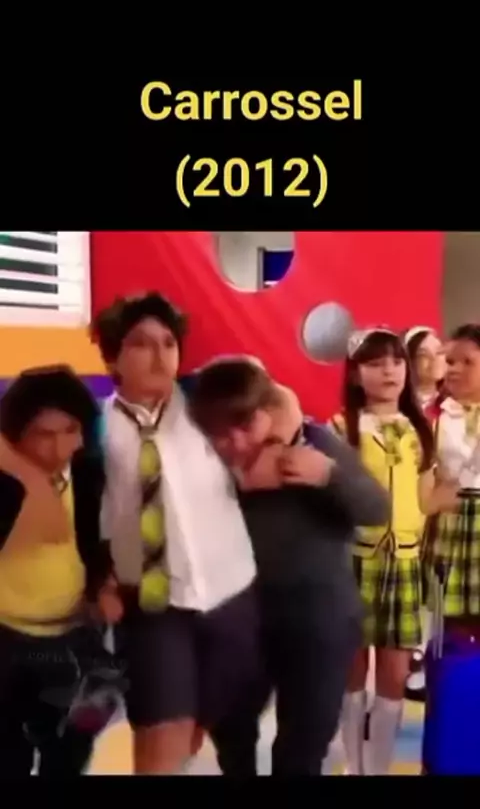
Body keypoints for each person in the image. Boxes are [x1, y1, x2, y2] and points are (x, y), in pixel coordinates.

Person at [189, 357, 391, 776]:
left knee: (302, 748)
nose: (236, 441)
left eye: (246, 425)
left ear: (268, 411)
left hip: (320, 620)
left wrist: (329, 476)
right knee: (233, 736)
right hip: (241, 621)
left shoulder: (313, 444)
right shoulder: (201, 463)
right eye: (222, 433)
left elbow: (376, 509)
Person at [91, 293, 263, 775]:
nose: (160, 354)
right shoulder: (94, 428)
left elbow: (269, 392)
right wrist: (100, 580)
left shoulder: (205, 403)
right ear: (112, 358)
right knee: (160, 745)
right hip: (153, 607)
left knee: (204, 732)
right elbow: (84, 515)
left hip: (231, 595)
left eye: (168, 343)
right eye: (142, 344)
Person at [329, 328, 457, 775]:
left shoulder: (421, 430)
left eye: (396, 361)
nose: (389, 371)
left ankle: (379, 769)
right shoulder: (340, 429)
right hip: (354, 562)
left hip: (405, 563)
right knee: (350, 675)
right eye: (375, 363)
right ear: (354, 374)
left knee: (394, 678)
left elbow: (424, 501)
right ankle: (355, 768)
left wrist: (452, 491)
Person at [0, 365, 116, 776]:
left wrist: (105, 587)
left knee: (69, 752)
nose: (59, 447)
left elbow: (100, 548)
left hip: (74, 639)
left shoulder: (90, 477)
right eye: (43, 434)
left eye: (70, 430)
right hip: (7, 640)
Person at [427, 324, 480, 642]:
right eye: (450, 362)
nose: (455, 370)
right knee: (450, 622)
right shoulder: (434, 416)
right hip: (450, 520)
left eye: (468, 362)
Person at [402, 326, 446, 701]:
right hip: (403, 508)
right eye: (424, 354)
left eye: (439, 353)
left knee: (437, 584)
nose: (434, 361)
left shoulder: (452, 406)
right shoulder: (397, 408)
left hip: (442, 505)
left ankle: (424, 658)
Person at [403, 326, 445, 419]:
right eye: (424, 354)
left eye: (439, 352)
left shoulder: (451, 404)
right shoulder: (401, 406)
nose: (434, 359)